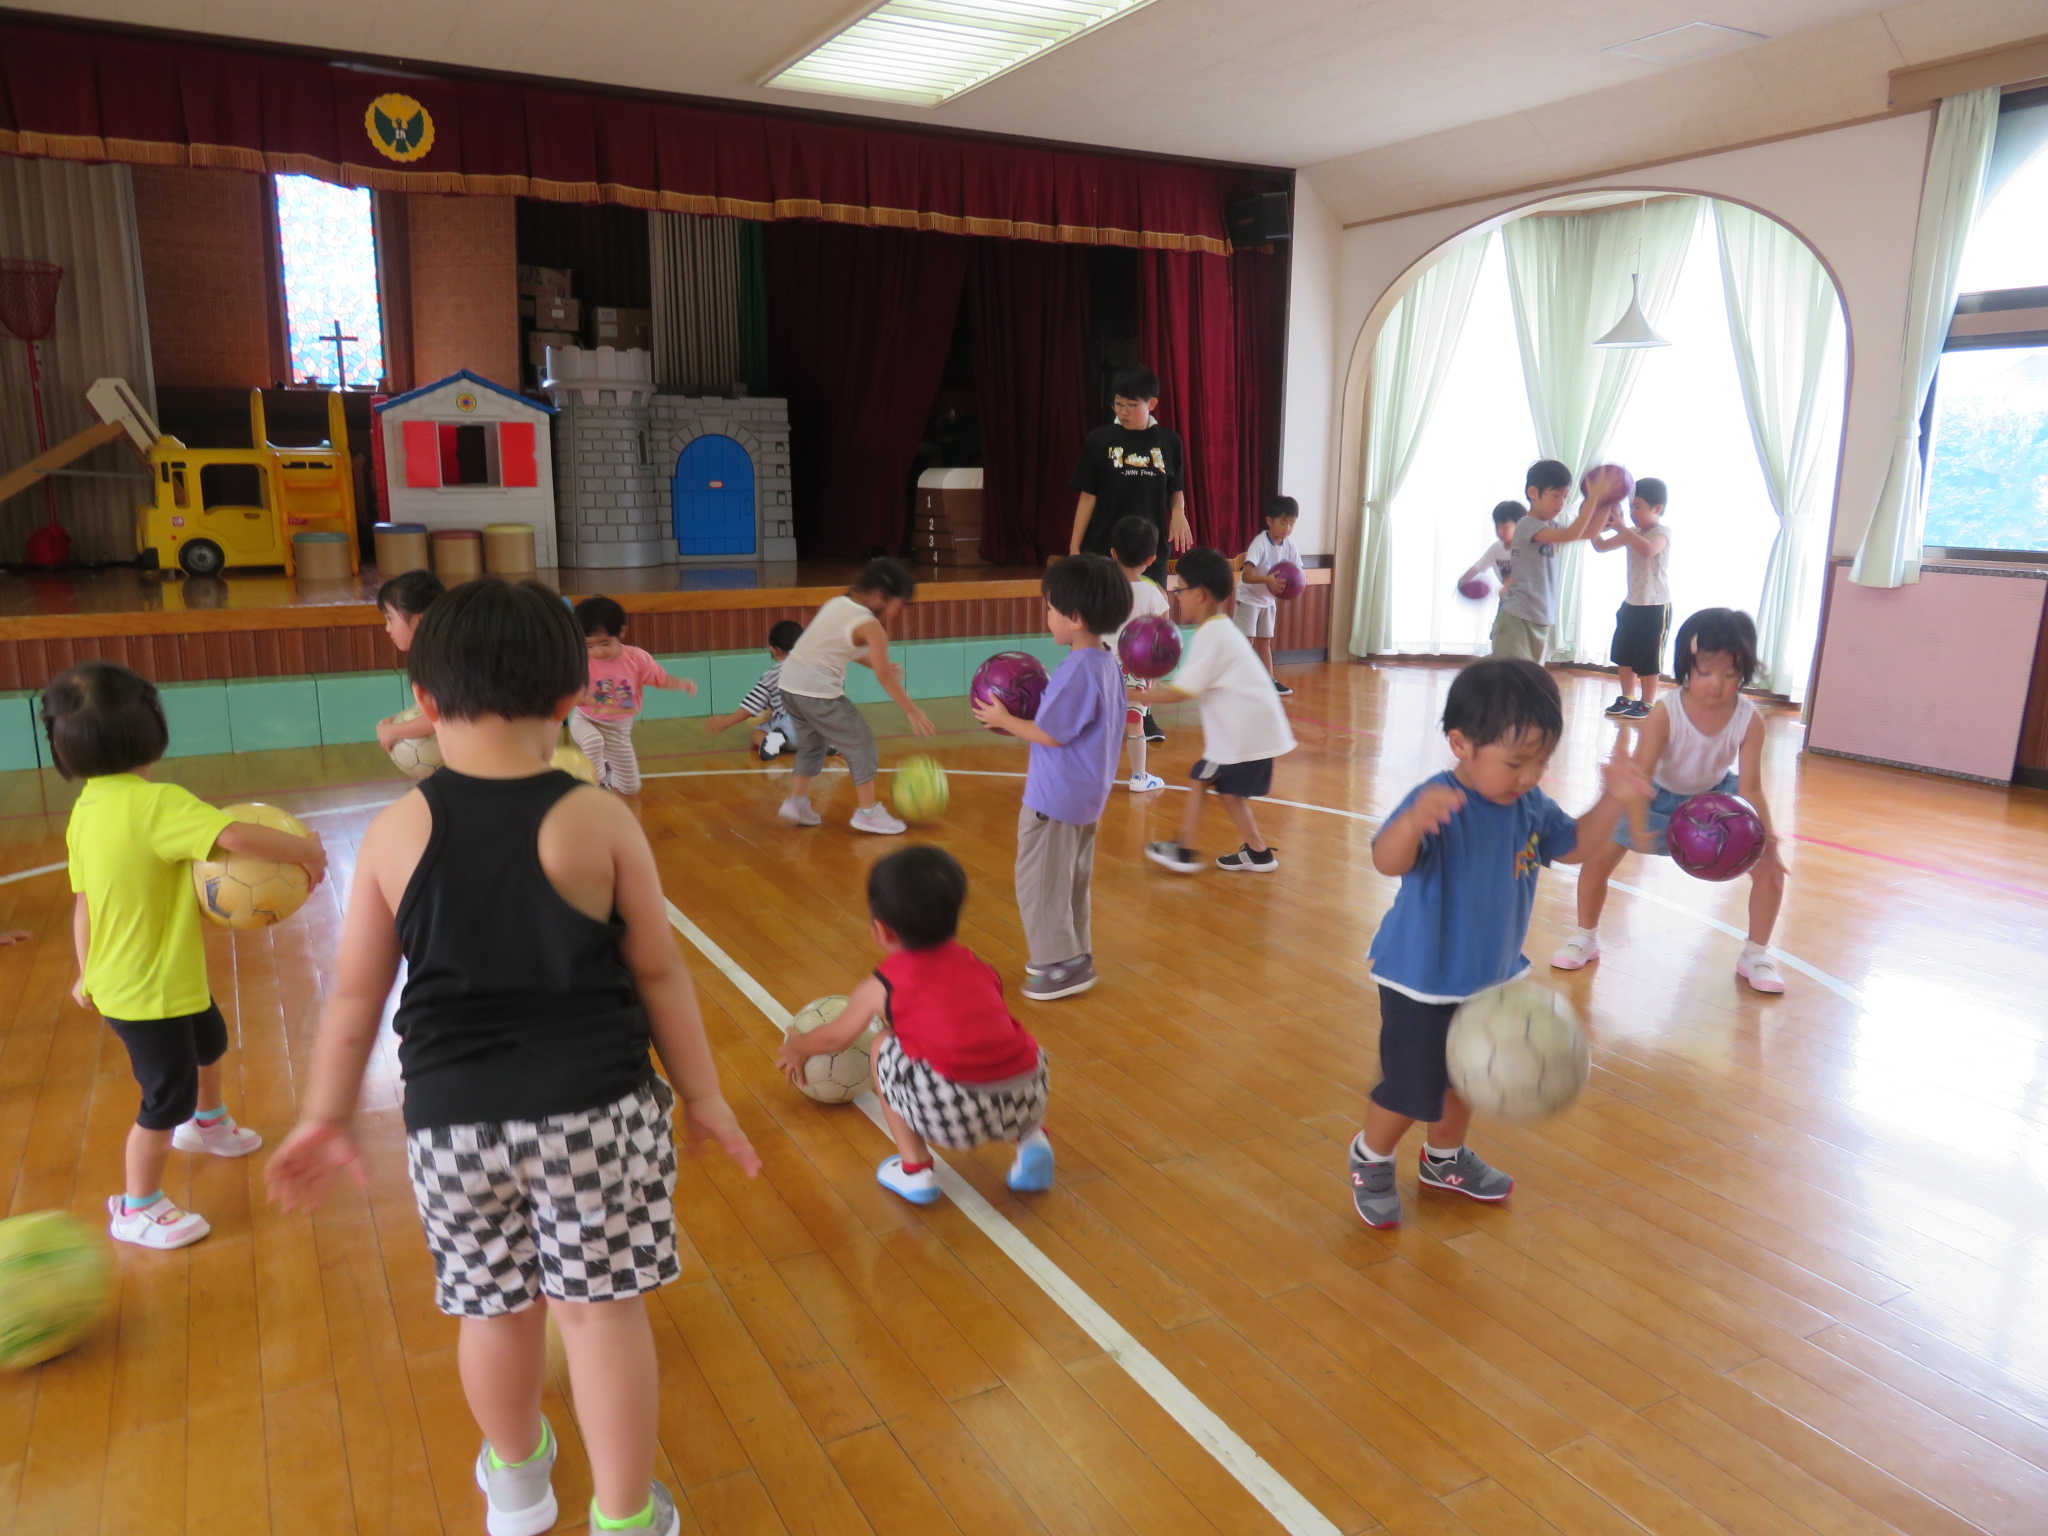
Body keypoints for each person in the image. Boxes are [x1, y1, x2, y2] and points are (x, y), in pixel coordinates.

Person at [266, 578, 760, 1536]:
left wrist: (325, 1114)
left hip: (453, 1127)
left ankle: (520, 1486)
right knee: (600, 1317)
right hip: (595, 1114)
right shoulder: (597, 818)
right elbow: (659, 972)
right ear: (572, 695)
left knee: (492, 1313)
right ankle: (625, 1517)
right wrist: (705, 1097)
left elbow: (357, 995)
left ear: (425, 700)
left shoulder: (396, 830)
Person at [1353, 657, 1648, 1229]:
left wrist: (1613, 798)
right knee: (1413, 1087)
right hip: (1420, 979)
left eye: (1541, 762)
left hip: (1490, 975)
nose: (1529, 777)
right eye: (1515, 762)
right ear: (1461, 744)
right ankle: (1371, 1156)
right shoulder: (1437, 801)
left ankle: (1443, 1160)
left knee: (1467, 1074)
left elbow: (1574, 846)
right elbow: (1386, 860)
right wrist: (1412, 823)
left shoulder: (1529, 806)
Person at [48, 660, 327, 1251]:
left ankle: (207, 1123)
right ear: (152, 728)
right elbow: (235, 836)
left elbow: (85, 903)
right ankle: (137, 1206)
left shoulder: (87, 809)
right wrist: (307, 850)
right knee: (163, 1098)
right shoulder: (158, 803)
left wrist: (86, 970)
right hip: (146, 990)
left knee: (209, 1041)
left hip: (149, 977)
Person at [778, 847, 1051, 1206]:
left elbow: (834, 1038)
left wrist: (797, 1046)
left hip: (950, 1116)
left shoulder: (884, 984)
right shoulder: (978, 965)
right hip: (1028, 1094)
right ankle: (1033, 1141)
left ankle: (915, 1169)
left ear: (881, 929)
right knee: (1013, 1044)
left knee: (883, 1043)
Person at [1552, 608, 1788, 993]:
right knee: (1596, 860)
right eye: (1706, 672)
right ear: (1686, 668)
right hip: (1654, 795)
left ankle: (1756, 954)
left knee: (1771, 873)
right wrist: (1637, 824)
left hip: (1716, 802)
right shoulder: (1666, 711)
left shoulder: (1749, 720)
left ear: (1744, 672)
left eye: (1730, 674)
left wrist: (1771, 842)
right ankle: (1585, 936)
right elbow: (1640, 776)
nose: (1717, 684)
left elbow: (1751, 789)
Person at [972, 555, 1129, 1001]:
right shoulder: (1106, 662)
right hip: (1086, 797)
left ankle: (1055, 966)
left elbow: (1050, 733)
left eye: (1051, 608)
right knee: (1071, 881)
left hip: (1054, 799)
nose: (1048, 616)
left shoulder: (1076, 670)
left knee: (1039, 884)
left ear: (1075, 618)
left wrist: (1004, 718)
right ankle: (1074, 954)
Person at [1136, 547, 1296, 874]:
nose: (1178, 597)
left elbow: (1181, 693)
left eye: (1180, 589)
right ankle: (1259, 853)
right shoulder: (1220, 630)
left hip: (1246, 736)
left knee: (1201, 779)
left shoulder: (1213, 634)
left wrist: (1126, 694)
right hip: (1254, 733)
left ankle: (1183, 850)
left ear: (1200, 594)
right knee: (1229, 792)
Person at [777, 558, 936, 835]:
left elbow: (840, 646)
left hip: (789, 686)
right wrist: (911, 710)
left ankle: (796, 802)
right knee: (861, 742)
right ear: (882, 596)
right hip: (818, 692)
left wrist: (877, 663)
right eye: (900, 604)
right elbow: (885, 677)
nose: (898, 612)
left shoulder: (837, 604)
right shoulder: (871, 626)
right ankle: (868, 813)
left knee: (812, 745)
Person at [1068, 365, 1191, 583]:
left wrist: (1178, 512)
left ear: (1151, 404)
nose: (1123, 412)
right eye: (1118, 404)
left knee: (1151, 605)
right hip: (1104, 548)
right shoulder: (1099, 439)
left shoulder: (1168, 441)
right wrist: (1074, 547)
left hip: (1150, 552)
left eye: (1132, 405)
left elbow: (1175, 488)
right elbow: (1088, 497)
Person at [570, 596, 699, 796]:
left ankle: (609, 774)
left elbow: (661, 679)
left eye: (605, 643)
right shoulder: (581, 660)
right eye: (590, 646)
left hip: (618, 729)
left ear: (621, 632)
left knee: (630, 788)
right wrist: (577, 697)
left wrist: (682, 684)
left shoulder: (637, 659)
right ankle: (596, 781)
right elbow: (570, 692)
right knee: (593, 741)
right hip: (586, 720)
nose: (598, 652)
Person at [1490, 460, 1610, 664]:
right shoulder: (1526, 524)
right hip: (1517, 618)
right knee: (1512, 676)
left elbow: (1590, 532)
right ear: (1533, 493)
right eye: (1555, 496)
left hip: (1540, 616)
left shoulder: (1551, 525)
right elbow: (1570, 534)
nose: (1561, 503)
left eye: (1565, 496)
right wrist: (1593, 498)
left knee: (1531, 677)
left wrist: (1605, 504)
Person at [1588, 476, 1671, 719]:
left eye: (1638, 507)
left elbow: (1648, 549)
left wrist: (1621, 527)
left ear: (1657, 508)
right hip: (1631, 603)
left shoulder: (1661, 532)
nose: (1633, 513)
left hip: (1655, 606)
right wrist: (1594, 524)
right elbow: (1601, 546)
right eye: (1631, 506)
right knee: (1624, 654)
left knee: (1649, 659)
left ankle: (1647, 702)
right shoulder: (1631, 532)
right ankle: (1627, 696)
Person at [1110, 516, 1173, 788]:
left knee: (1100, 725)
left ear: (1113, 553)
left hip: (1099, 665)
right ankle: (1139, 776)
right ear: (1151, 559)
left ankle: (1092, 775)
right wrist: (1154, 679)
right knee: (1135, 721)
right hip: (1135, 670)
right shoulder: (1153, 595)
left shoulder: (1102, 588)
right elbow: (1163, 640)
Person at [705, 619, 803, 761]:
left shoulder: (773, 674)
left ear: (774, 649)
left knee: (756, 733)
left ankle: (772, 742)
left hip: (791, 729)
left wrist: (724, 723)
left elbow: (751, 706)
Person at [1234, 496, 1303, 695]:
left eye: (1292, 523)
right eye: (1284, 522)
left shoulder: (1289, 547)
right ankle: (1237, 682)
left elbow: (1299, 574)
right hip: (1248, 599)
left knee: (1264, 642)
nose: (1288, 528)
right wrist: (1268, 580)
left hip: (1268, 601)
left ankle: (1268, 681)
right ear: (1270, 521)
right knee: (1245, 642)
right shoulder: (1260, 543)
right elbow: (1246, 576)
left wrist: (1295, 586)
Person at [374, 569, 446, 757]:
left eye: (390, 618)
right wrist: (402, 720)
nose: (387, 628)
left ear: (420, 620)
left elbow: (446, 715)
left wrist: (395, 731)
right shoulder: (433, 653)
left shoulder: (444, 659)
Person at [1457, 502, 1524, 598]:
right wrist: (1462, 581)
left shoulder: (1526, 550)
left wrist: (1506, 586)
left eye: (1505, 528)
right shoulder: (1495, 549)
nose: (1500, 531)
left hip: (1527, 600)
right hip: (1508, 599)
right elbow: (1477, 567)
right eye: (1497, 527)